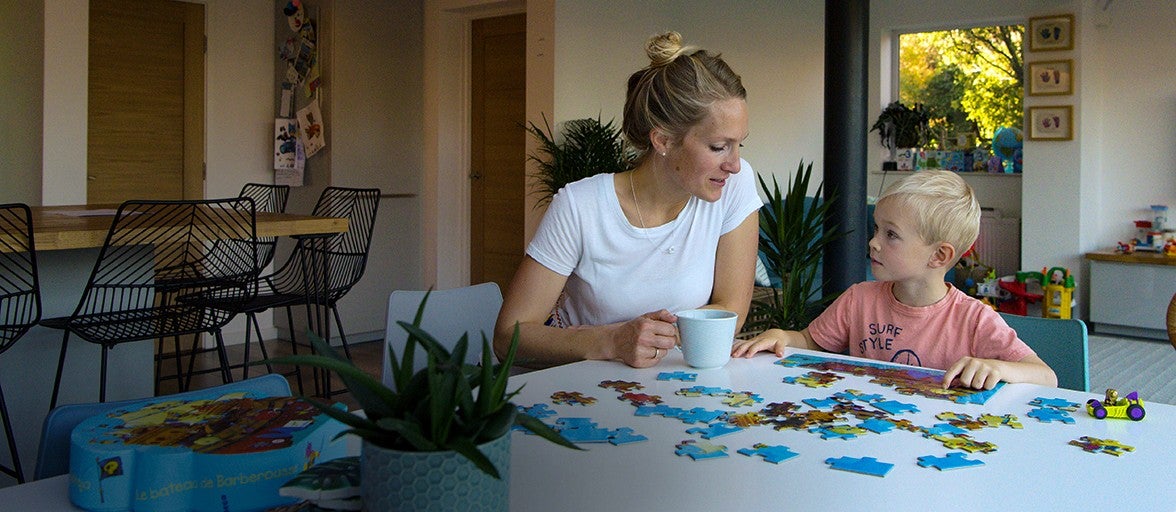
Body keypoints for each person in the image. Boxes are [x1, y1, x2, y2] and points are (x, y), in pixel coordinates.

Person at [494, 31, 761, 370]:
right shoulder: (580, 205)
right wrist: (613, 340)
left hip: (676, 390)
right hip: (577, 393)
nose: (734, 164)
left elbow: (730, 313)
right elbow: (507, 339)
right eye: (718, 147)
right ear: (663, 139)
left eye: (740, 145)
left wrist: (650, 337)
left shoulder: (733, 186)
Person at [731, 170, 1058, 389]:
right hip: (862, 430)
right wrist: (783, 337)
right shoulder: (859, 299)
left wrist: (999, 369)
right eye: (876, 229)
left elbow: (1045, 376)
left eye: (891, 235)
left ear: (939, 256)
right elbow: (812, 343)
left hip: (940, 440)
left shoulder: (975, 319)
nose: (873, 242)